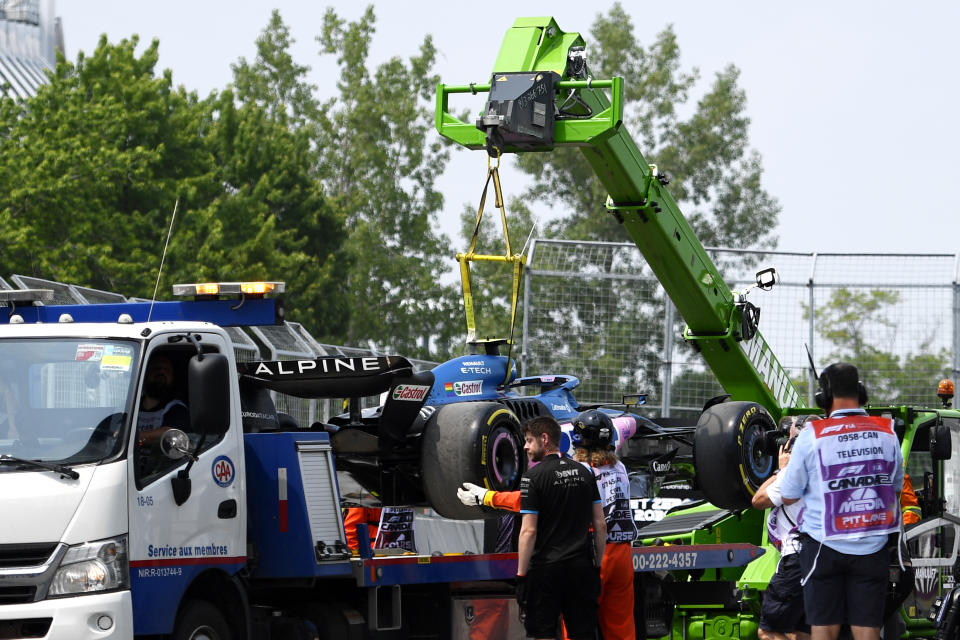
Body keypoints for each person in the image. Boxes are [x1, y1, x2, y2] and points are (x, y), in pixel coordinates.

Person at [779, 362, 903, 640]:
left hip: (823, 547)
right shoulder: (888, 433)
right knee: (868, 631)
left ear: (824, 398)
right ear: (861, 393)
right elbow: (895, 488)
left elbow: (788, 494)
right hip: (873, 547)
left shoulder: (812, 435)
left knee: (824, 631)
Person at [516, 416, 606, 640]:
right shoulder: (585, 473)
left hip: (547, 570)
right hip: (581, 568)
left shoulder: (532, 478)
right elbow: (600, 524)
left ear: (544, 439)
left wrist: (521, 575)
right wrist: (597, 565)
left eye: (529, 440)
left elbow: (529, 531)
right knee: (583, 633)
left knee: (544, 632)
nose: (525, 446)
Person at [569, 410, 638, 640]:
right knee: (621, 628)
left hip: (595, 551)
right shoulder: (620, 467)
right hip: (623, 552)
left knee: (576, 623)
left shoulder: (583, 470)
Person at [752, 416, 812, 640]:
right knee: (802, 633)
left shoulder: (792, 473)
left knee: (768, 631)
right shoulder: (827, 471)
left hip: (796, 560)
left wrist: (780, 470)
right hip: (821, 560)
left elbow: (758, 500)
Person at [136, 354, 189, 446]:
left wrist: (130, 439)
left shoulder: (176, 408)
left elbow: (170, 434)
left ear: (172, 378)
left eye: (167, 370)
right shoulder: (132, 406)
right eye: (156, 368)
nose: (161, 371)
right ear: (146, 374)